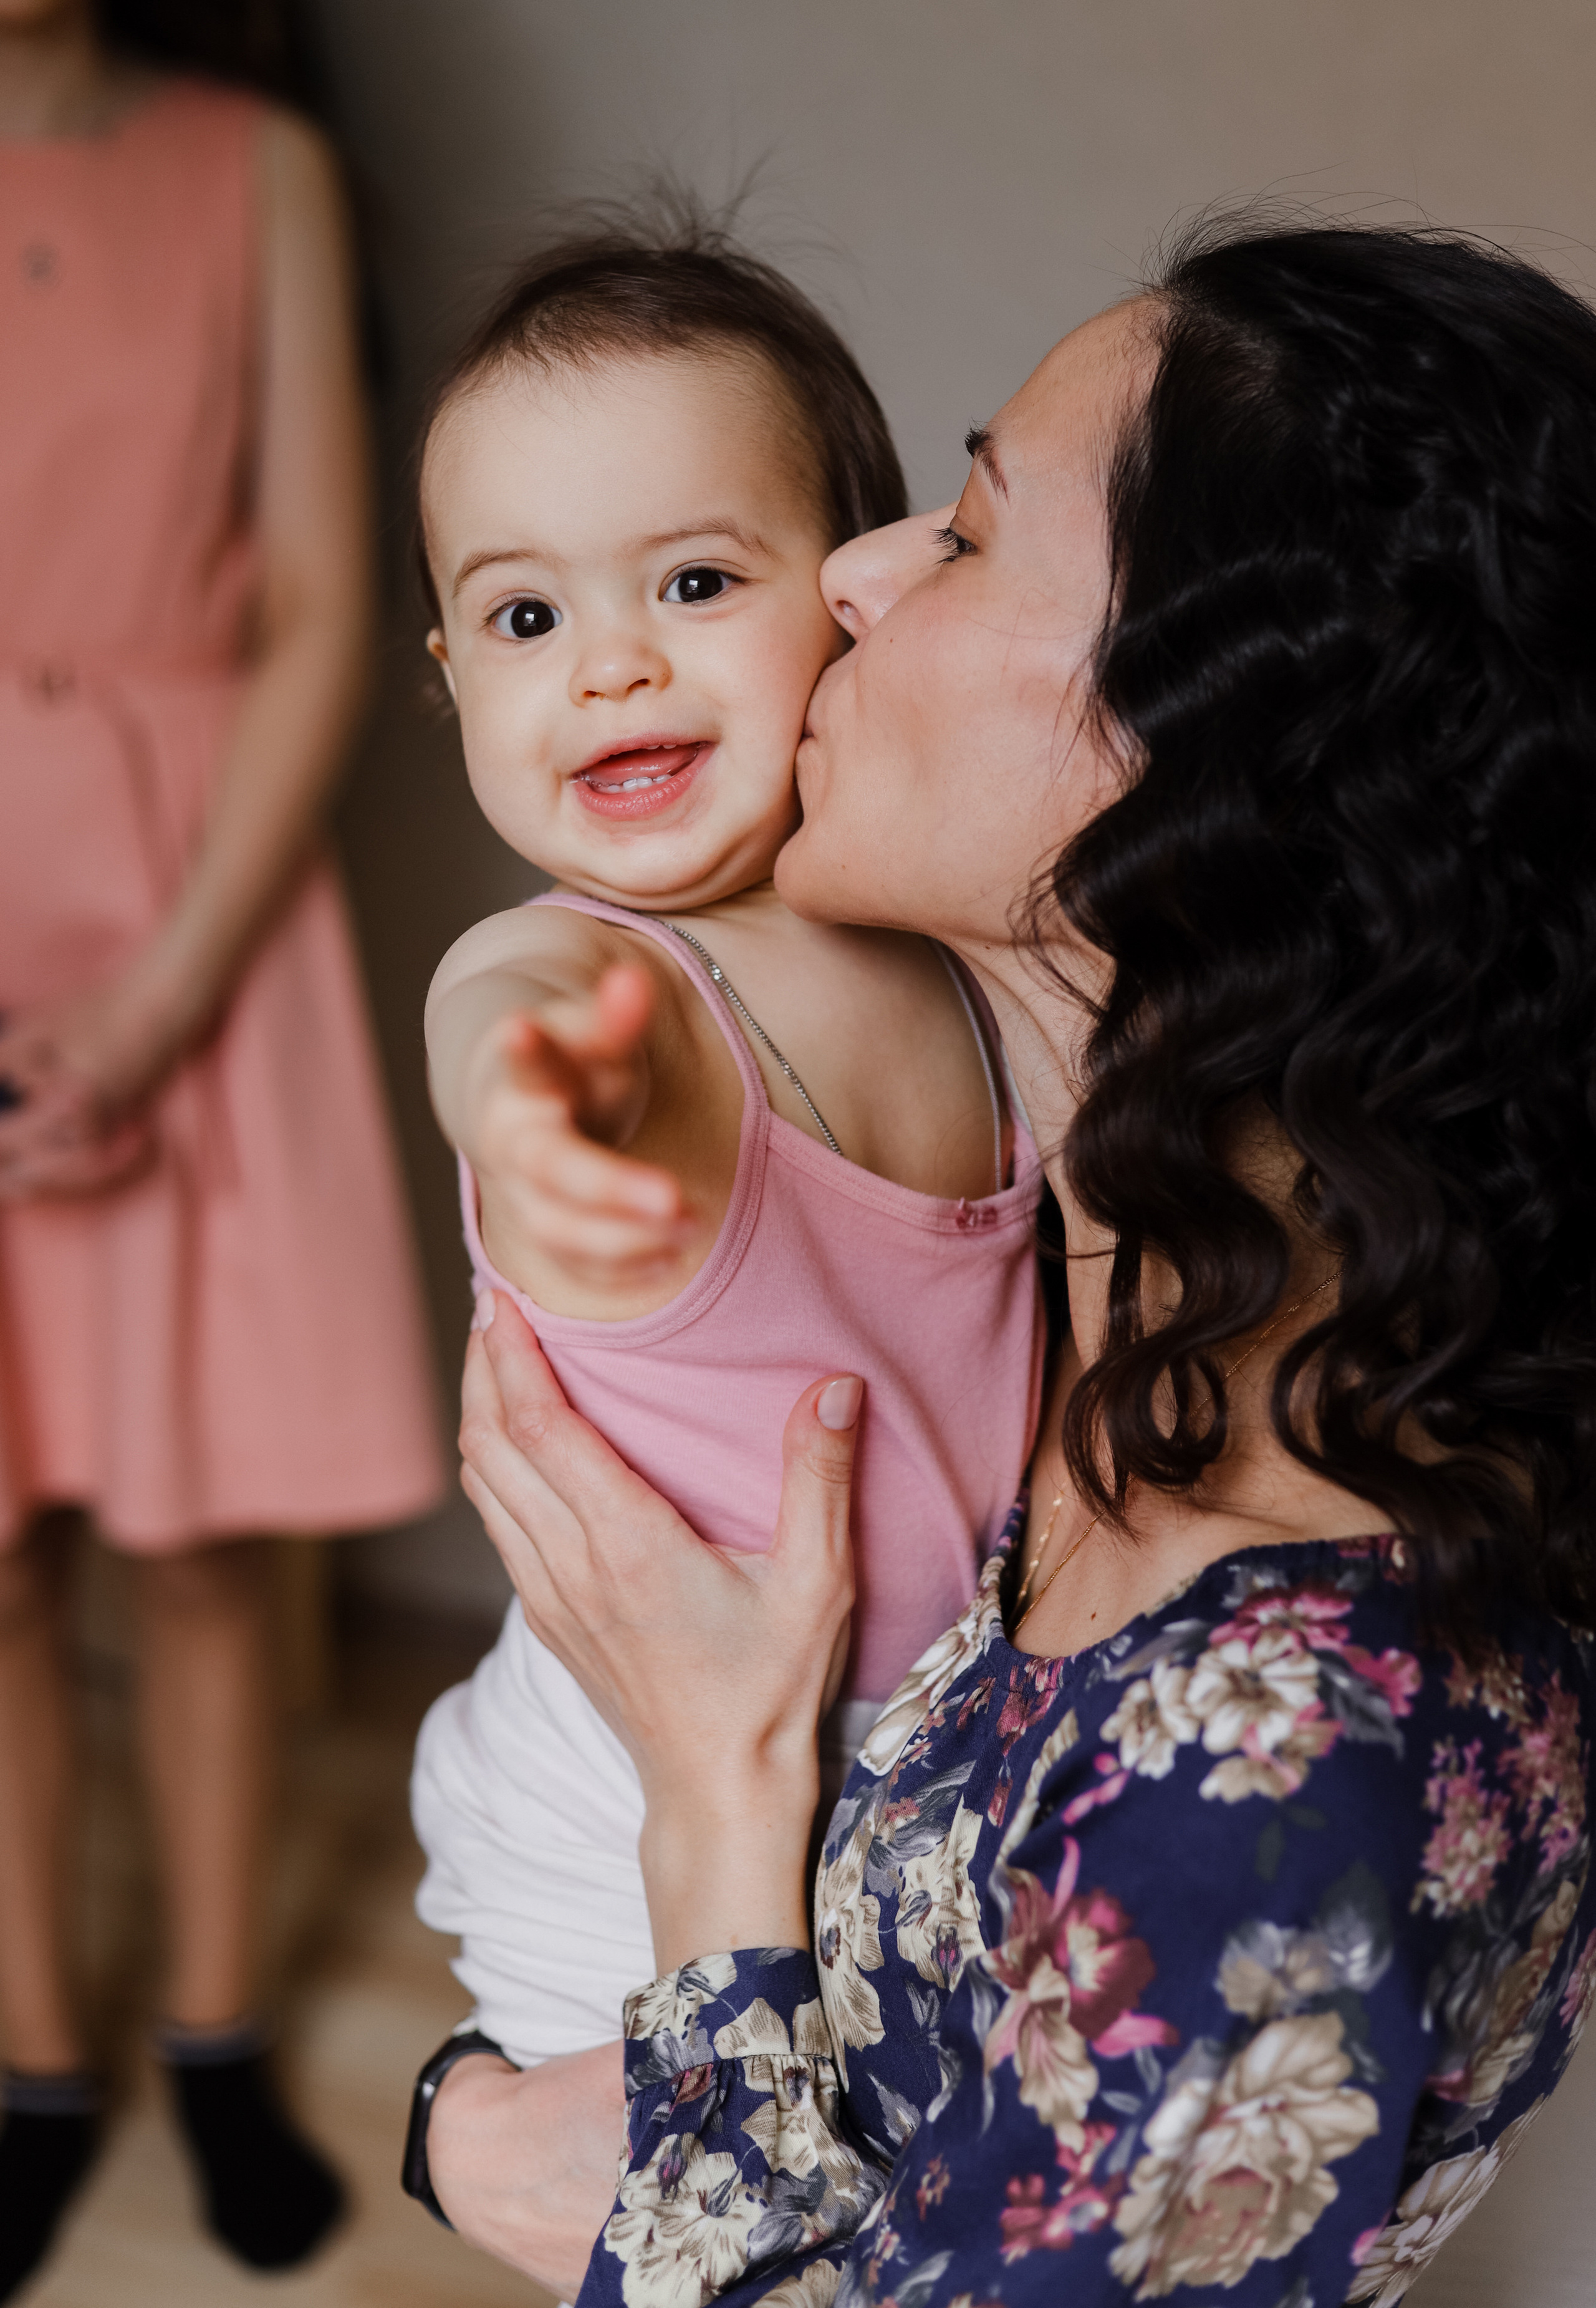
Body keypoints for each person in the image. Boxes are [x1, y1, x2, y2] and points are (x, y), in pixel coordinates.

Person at [415, 219, 1596, 2308]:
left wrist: (685, 1858)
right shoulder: (1151, 1281)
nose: (856, 570)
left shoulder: (1281, 1737)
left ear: (1205, 741)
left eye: (964, 534)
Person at [406, 220, 1043, 2079]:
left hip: (887, 1769)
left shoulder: (945, 945)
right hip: (611, 1825)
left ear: (855, 592)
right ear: (452, 672)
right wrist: (533, 1098)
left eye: (691, 581)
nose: (607, 667)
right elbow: (496, 1000)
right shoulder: (607, 981)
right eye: (528, 619)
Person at [0, 0, 443, 2293]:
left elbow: (308, 607)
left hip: (195, 912)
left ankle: (211, 2038)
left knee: (196, 1545)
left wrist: (158, 1000)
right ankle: (37, 2061)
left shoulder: (258, 170)